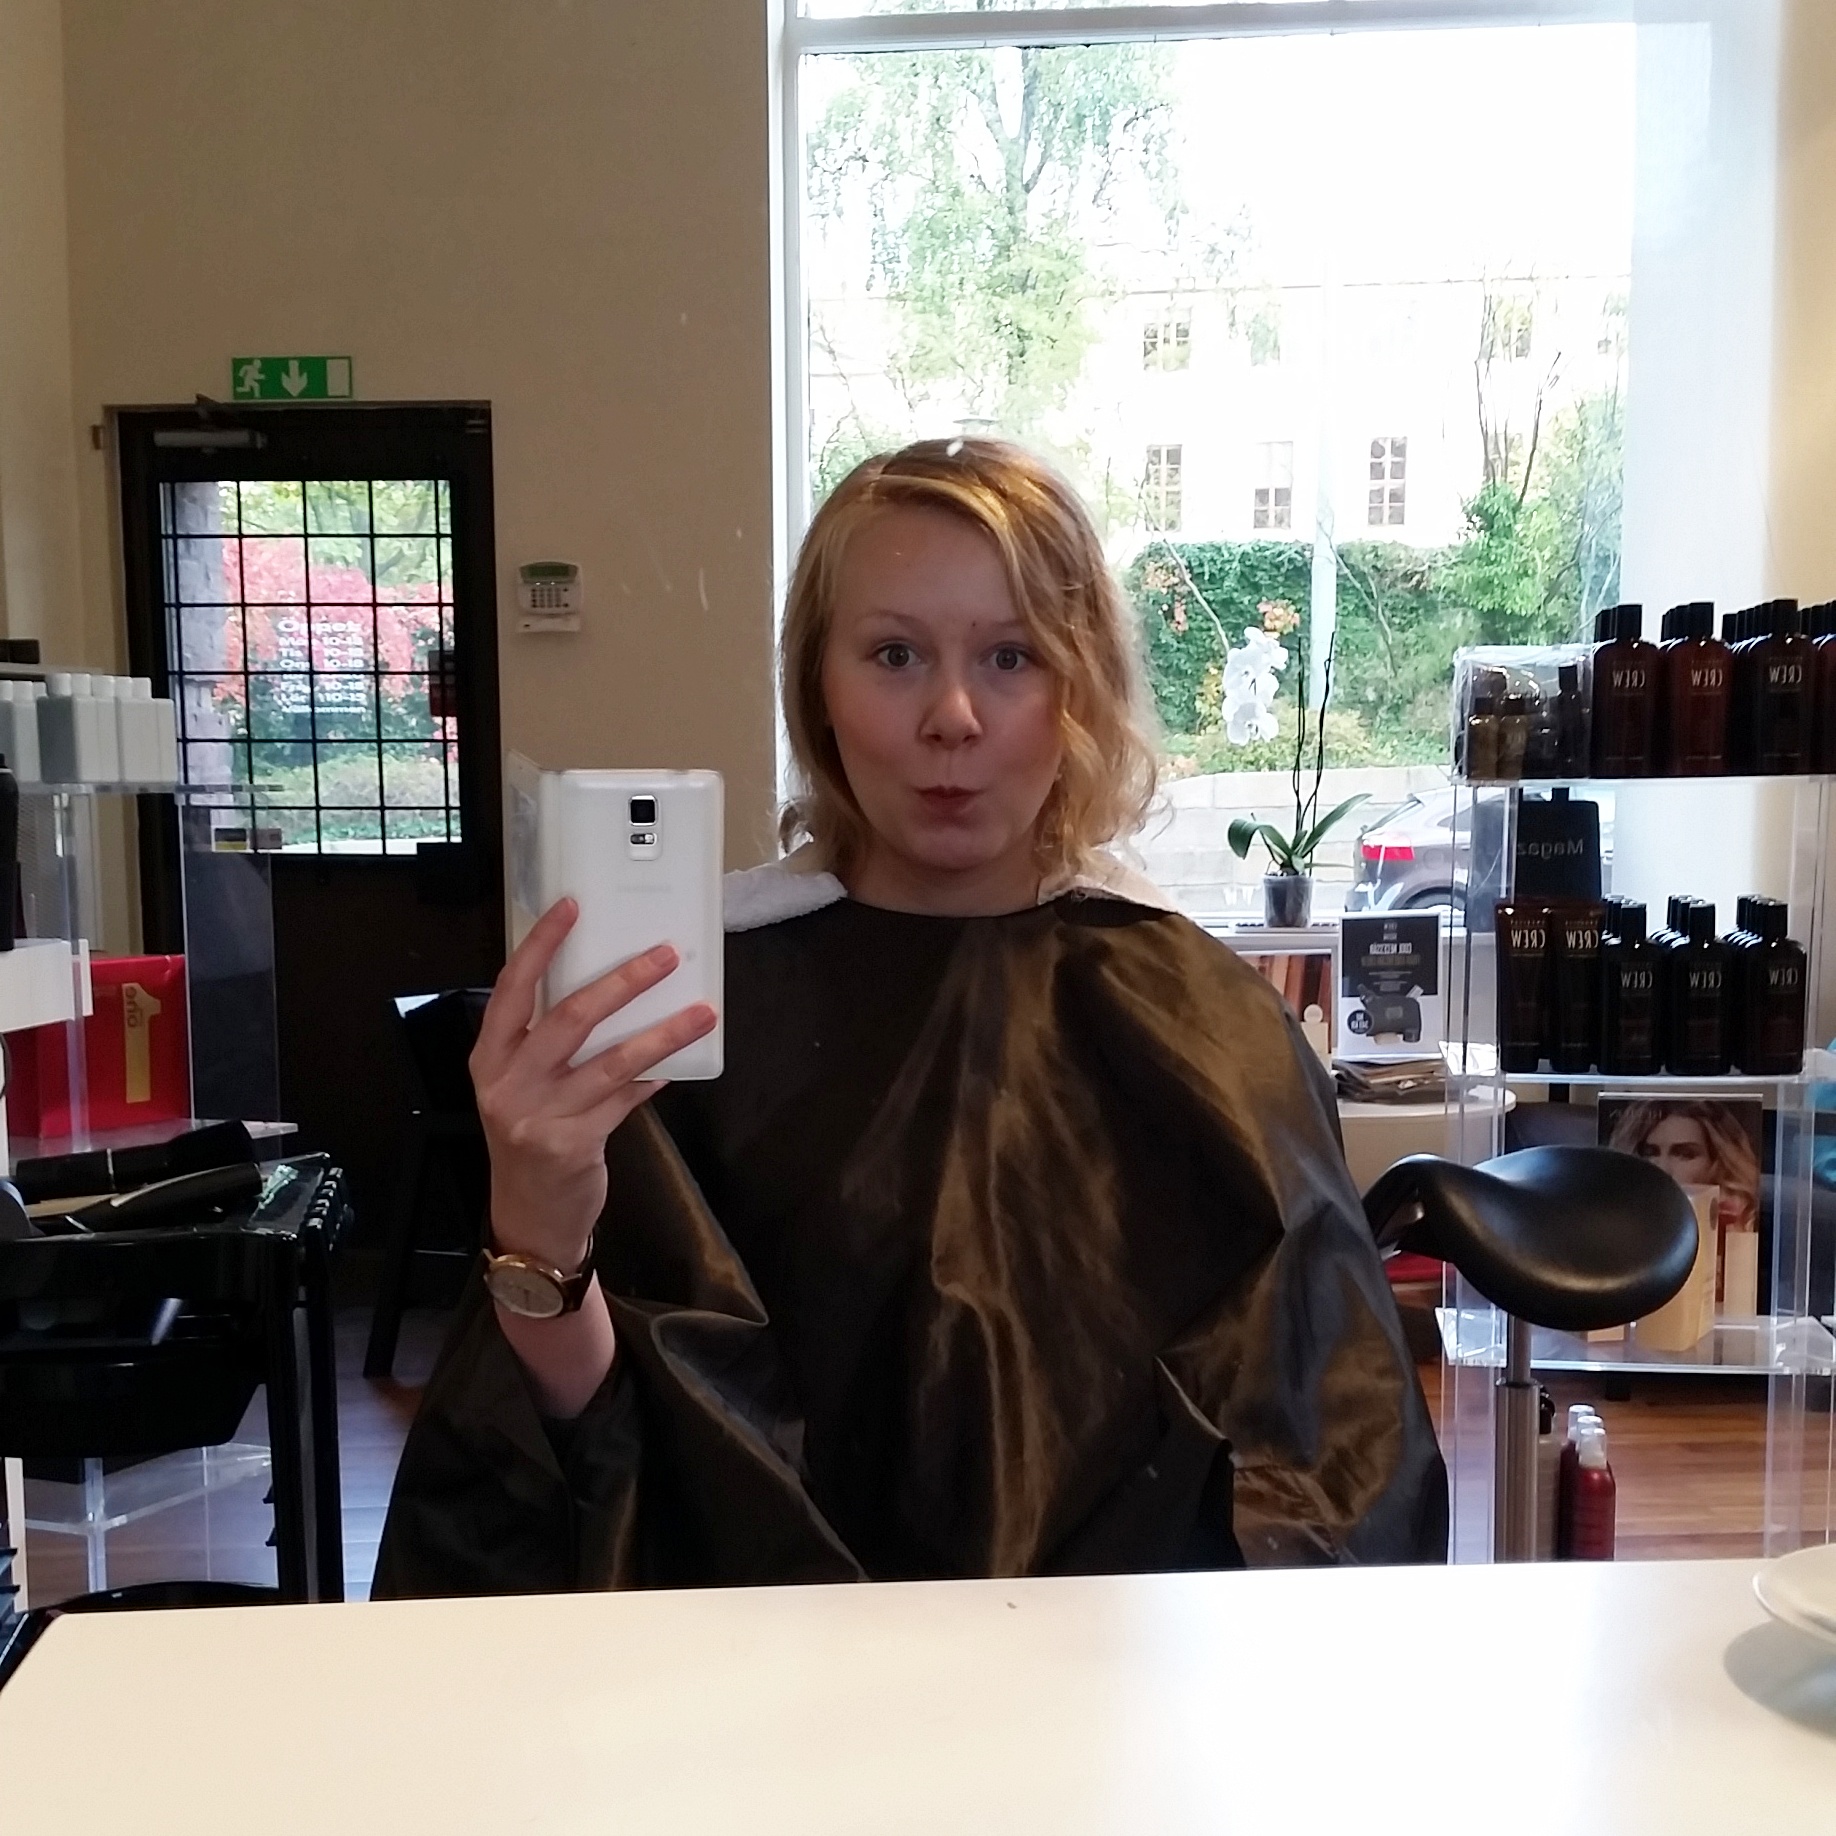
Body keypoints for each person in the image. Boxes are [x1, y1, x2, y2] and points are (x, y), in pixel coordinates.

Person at [373, 439, 1446, 1595]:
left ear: (1078, 687)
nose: (952, 716)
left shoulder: (1209, 1032)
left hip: (1106, 1683)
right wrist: (538, 1236)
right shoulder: (681, 1013)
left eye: (1010, 656)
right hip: (763, 1673)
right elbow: (604, 1459)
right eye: (894, 655)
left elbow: (1326, 1468)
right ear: (818, 689)